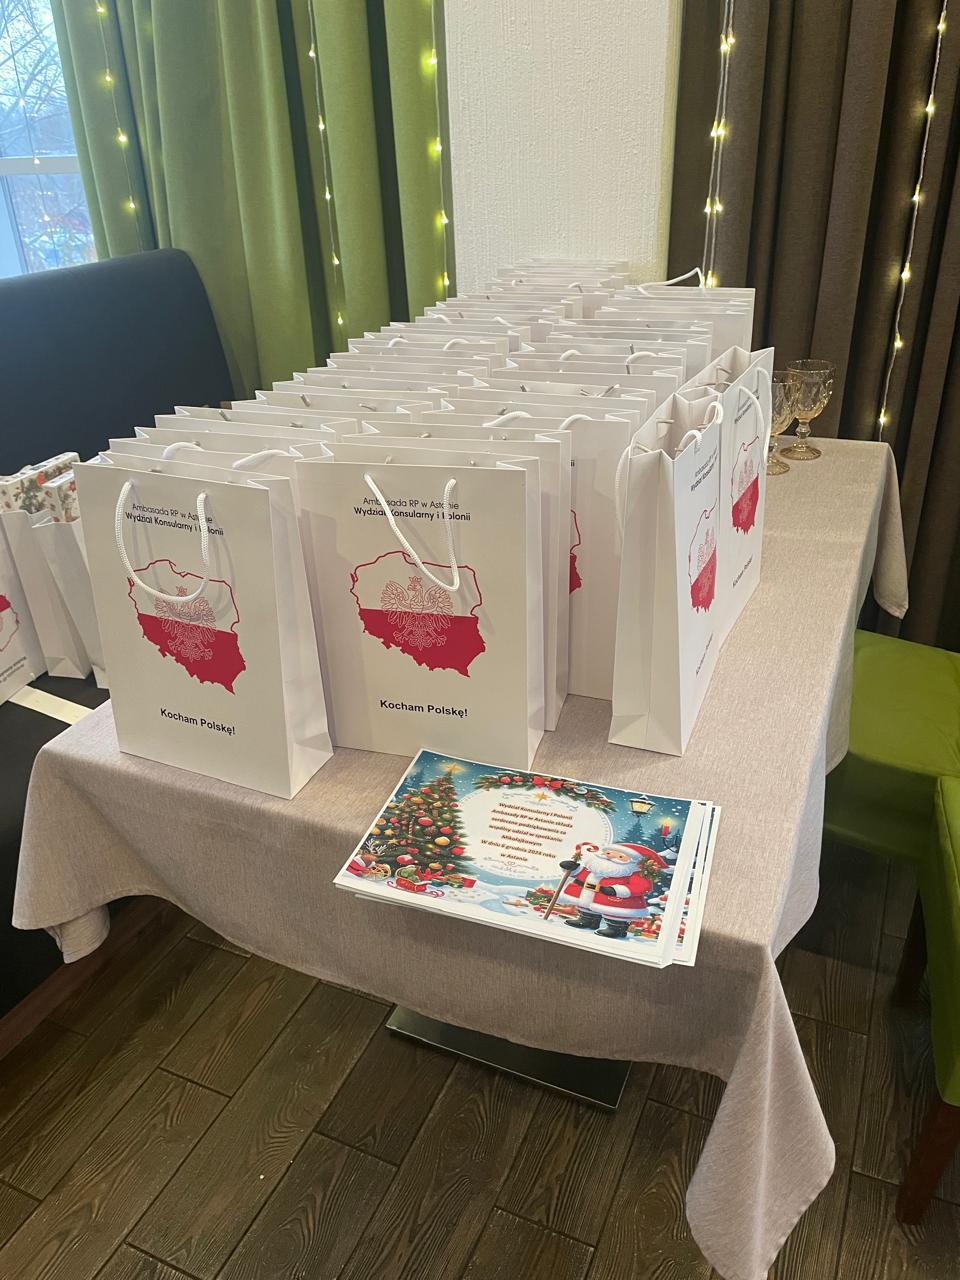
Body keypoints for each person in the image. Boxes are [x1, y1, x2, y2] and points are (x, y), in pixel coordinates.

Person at [558, 842, 669, 939]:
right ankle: (588, 920)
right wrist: (574, 869)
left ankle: (617, 928)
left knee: (615, 915)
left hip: (618, 901)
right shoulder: (598, 868)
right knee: (586, 908)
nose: (610, 857)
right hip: (589, 895)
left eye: (620, 856)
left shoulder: (633, 873)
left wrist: (617, 890)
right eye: (608, 853)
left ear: (633, 862)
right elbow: (583, 874)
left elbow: (642, 886)